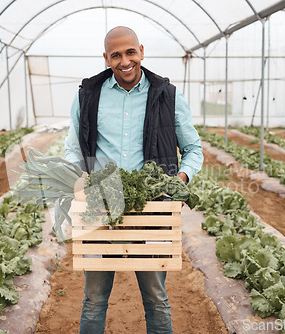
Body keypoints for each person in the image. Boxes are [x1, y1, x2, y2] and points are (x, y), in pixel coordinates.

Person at [64, 26, 203, 334]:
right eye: (116, 55)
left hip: (151, 210)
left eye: (130, 52)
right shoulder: (88, 96)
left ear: (141, 50)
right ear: (106, 58)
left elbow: (193, 149)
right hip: (101, 208)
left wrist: (178, 180)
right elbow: (73, 149)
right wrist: (77, 180)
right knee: (94, 299)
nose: (124, 61)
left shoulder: (167, 96)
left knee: (156, 298)